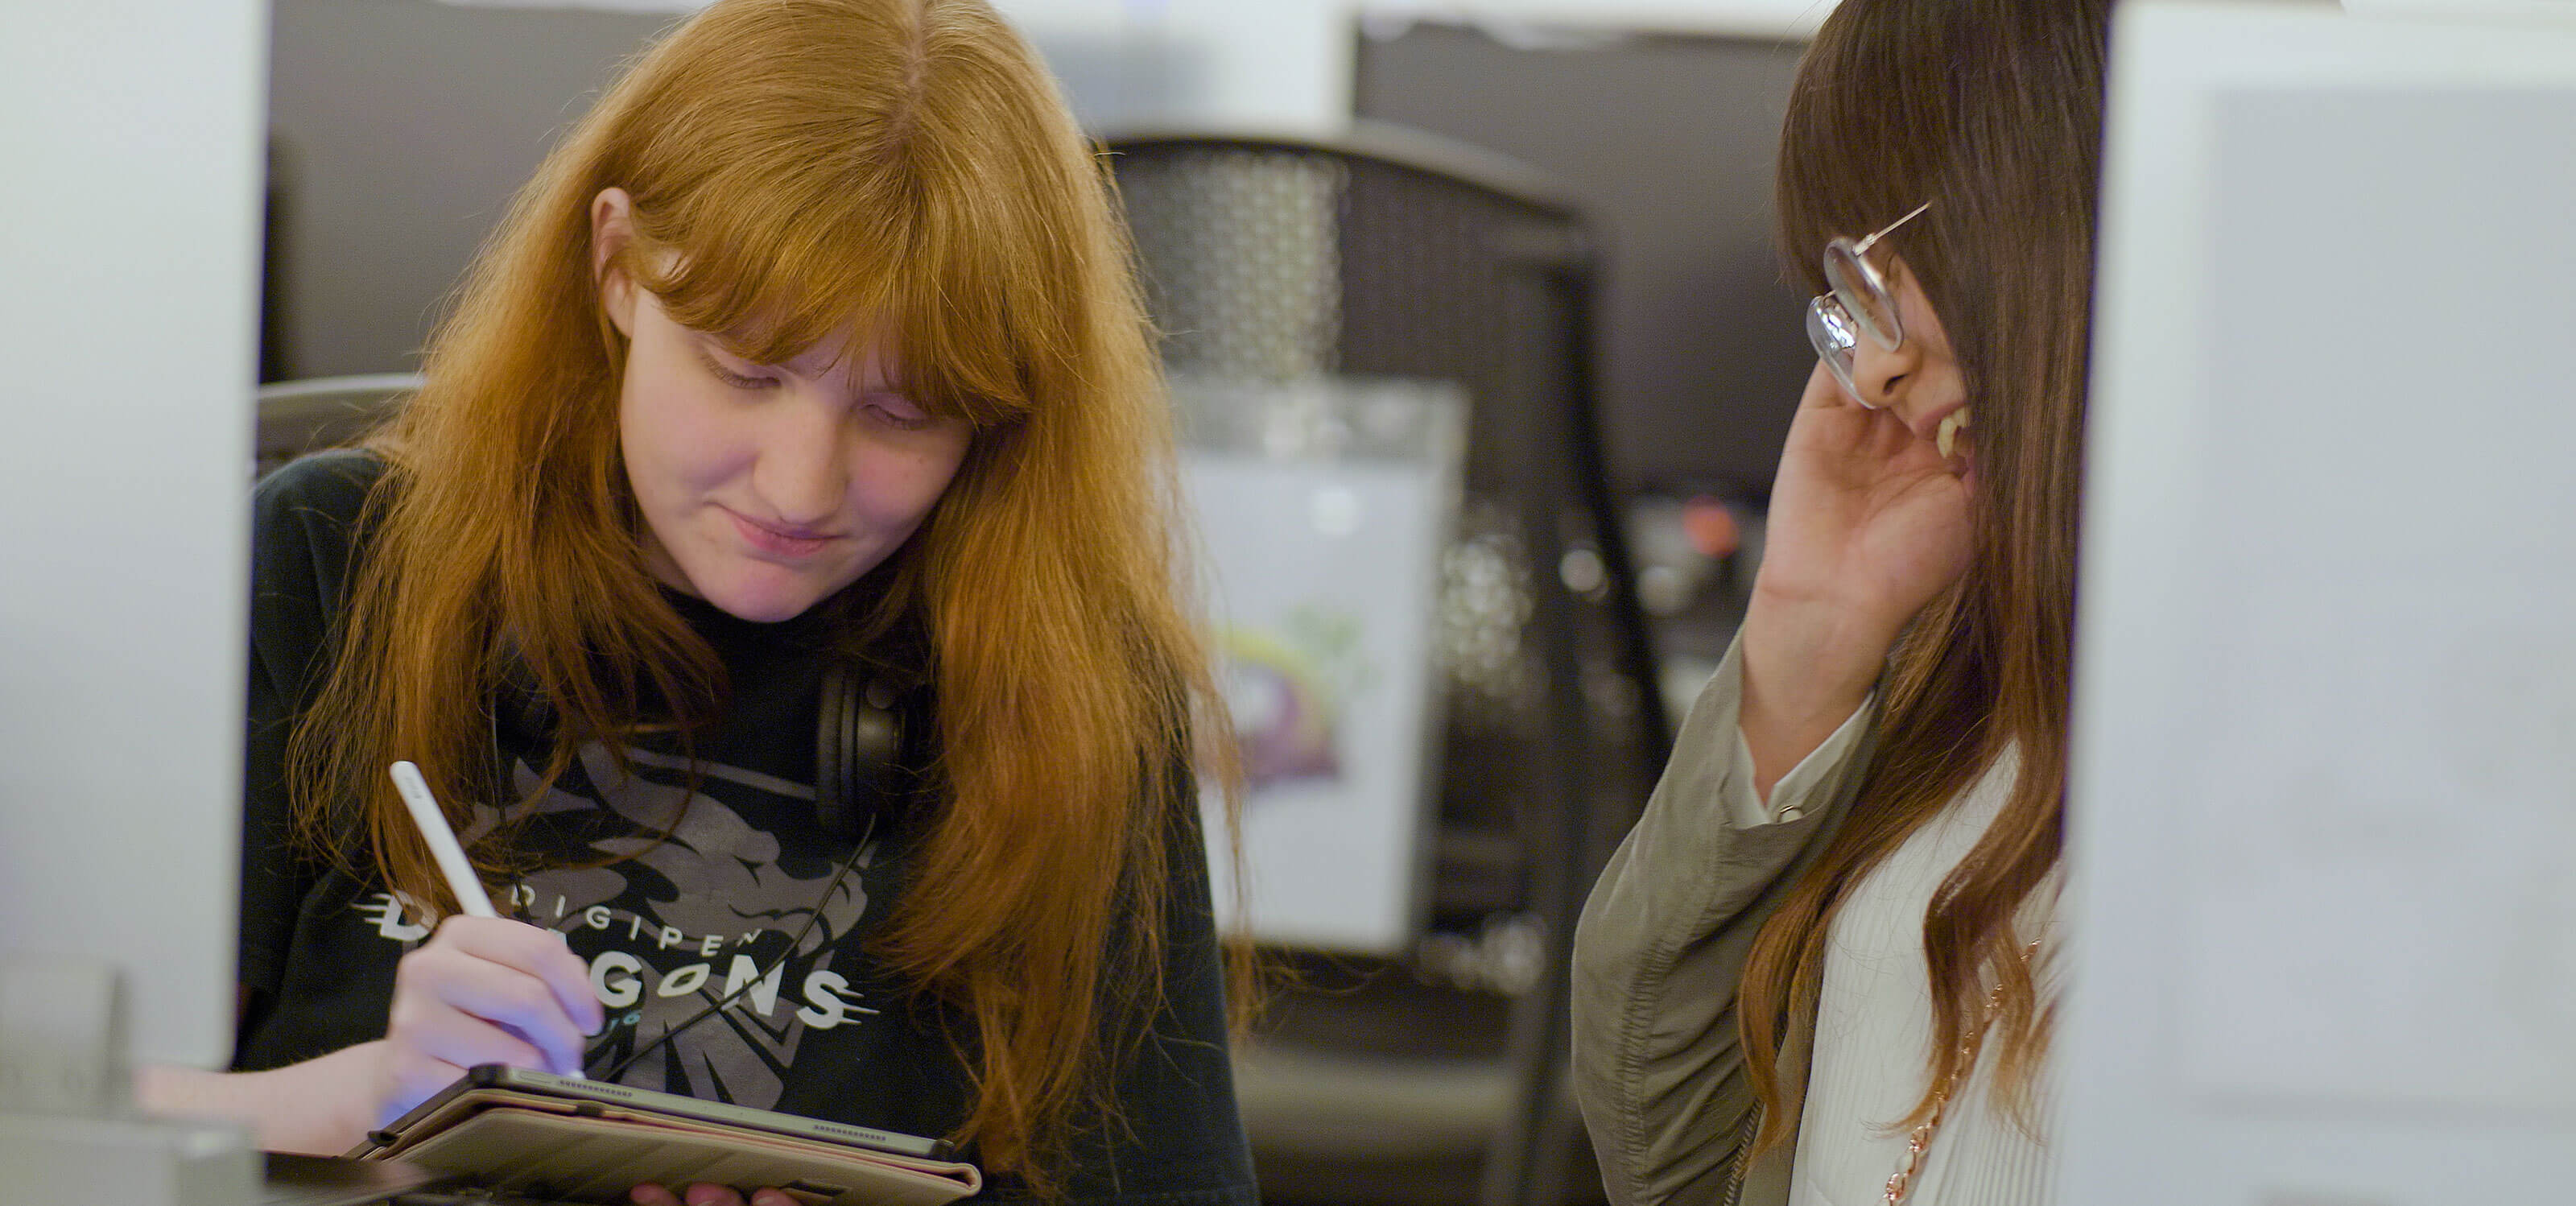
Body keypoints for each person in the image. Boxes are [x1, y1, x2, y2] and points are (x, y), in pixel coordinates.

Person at [135, 3, 1257, 1204]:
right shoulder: (332, 561)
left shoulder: (1071, 689)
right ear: (617, 268)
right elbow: (67, 1111)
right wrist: (374, 1101)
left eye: (904, 412)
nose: (799, 484)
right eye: (746, 372)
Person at [1568, 1, 2112, 1204]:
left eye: (1882, 271)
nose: (1868, 370)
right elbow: (1668, 1159)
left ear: (2050, 209)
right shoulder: (1964, 679)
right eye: (1847, 299)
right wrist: (1809, 635)